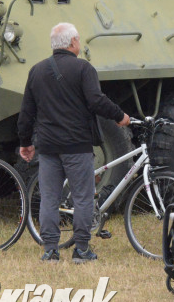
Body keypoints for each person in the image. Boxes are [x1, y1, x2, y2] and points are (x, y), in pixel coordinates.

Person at [17, 23, 130, 263]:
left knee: (49, 198)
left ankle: (50, 250)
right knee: (82, 197)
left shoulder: (36, 71)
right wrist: (120, 115)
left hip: (47, 147)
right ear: (73, 43)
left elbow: (26, 112)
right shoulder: (83, 69)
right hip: (77, 146)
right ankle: (81, 249)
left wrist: (25, 142)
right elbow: (97, 101)